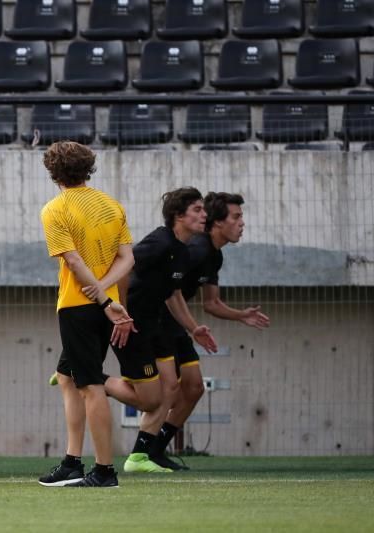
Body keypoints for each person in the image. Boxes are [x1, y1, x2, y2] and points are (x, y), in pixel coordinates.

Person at [94, 187, 218, 474]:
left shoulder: (183, 251)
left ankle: (140, 456)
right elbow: (123, 268)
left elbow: (172, 294)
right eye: (197, 210)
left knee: (171, 387)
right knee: (151, 399)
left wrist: (193, 328)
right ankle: (88, 377)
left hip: (156, 324)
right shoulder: (159, 242)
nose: (204, 215)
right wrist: (121, 314)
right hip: (132, 324)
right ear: (178, 215)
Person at [38, 141, 135, 488]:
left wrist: (101, 298)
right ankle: (71, 462)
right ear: (88, 168)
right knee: (66, 377)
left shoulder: (55, 209)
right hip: (105, 306)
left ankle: (105, 471)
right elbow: (128, 258)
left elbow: (74, 261)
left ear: (53, 172)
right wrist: (106, 293)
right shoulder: (111, 205)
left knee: (91, 386)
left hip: (79, 307)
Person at [149, 192, 270, 469]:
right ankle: (96, 384)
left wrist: (241, 315)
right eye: (236, 217)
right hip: (157, 318)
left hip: (176, 322)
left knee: (193, 388)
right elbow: (168, 290)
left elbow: (211, 303)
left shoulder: (214, 256)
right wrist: (192, 327)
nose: (242, 223)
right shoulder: (196, 249)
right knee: (160, 392)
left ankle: (154, 451)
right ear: (217, 223)